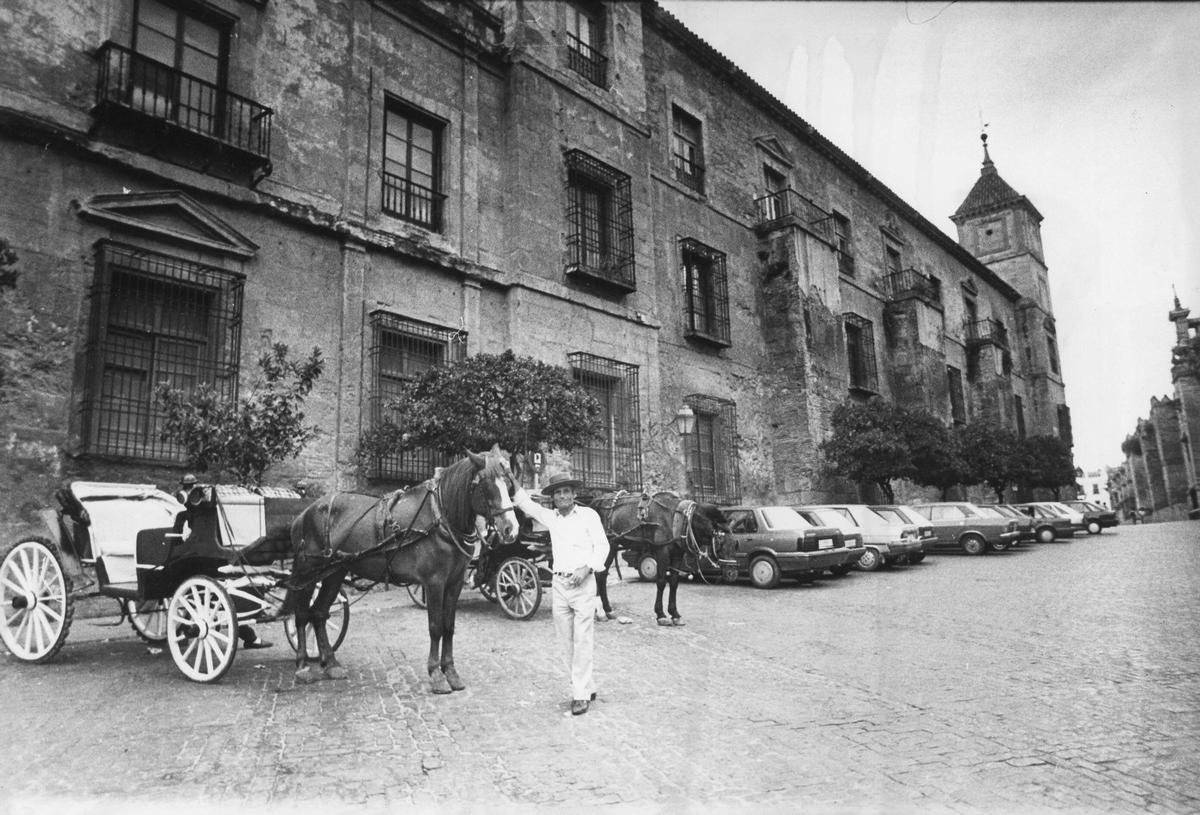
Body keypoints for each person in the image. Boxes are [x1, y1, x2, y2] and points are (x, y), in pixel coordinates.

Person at [512, 472, 609, 715]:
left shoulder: (589, 516)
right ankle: (586, 685)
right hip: (560, 585)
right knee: (565, 641)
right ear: (553, 498)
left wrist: (587, 567)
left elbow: (603, 546)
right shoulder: (552, 518)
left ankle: (580, 695)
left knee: (583, 639)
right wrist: (510, 480)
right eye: (558, 492)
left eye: (567, 491)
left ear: (574, 494)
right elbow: (527, 505)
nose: (563, 496)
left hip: (583, 586)